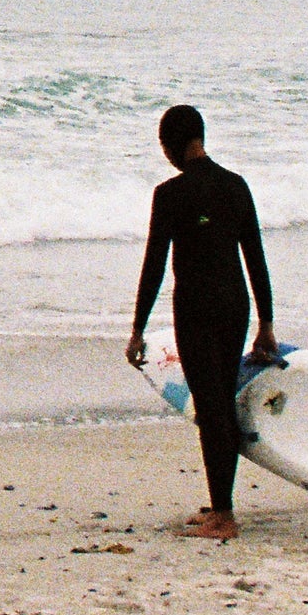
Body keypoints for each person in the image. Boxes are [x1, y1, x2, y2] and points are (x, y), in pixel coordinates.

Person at [123, 103, 278, 542]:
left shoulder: (170, 194)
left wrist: (138, 328)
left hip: (196, 308)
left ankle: (224, 517)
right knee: (218, 401)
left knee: (211, 408)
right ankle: (219, 503)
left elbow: (154, 264)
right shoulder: (236, 186)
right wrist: (266, 322)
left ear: (172, 143)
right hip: (235, 305)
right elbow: (256, 257)